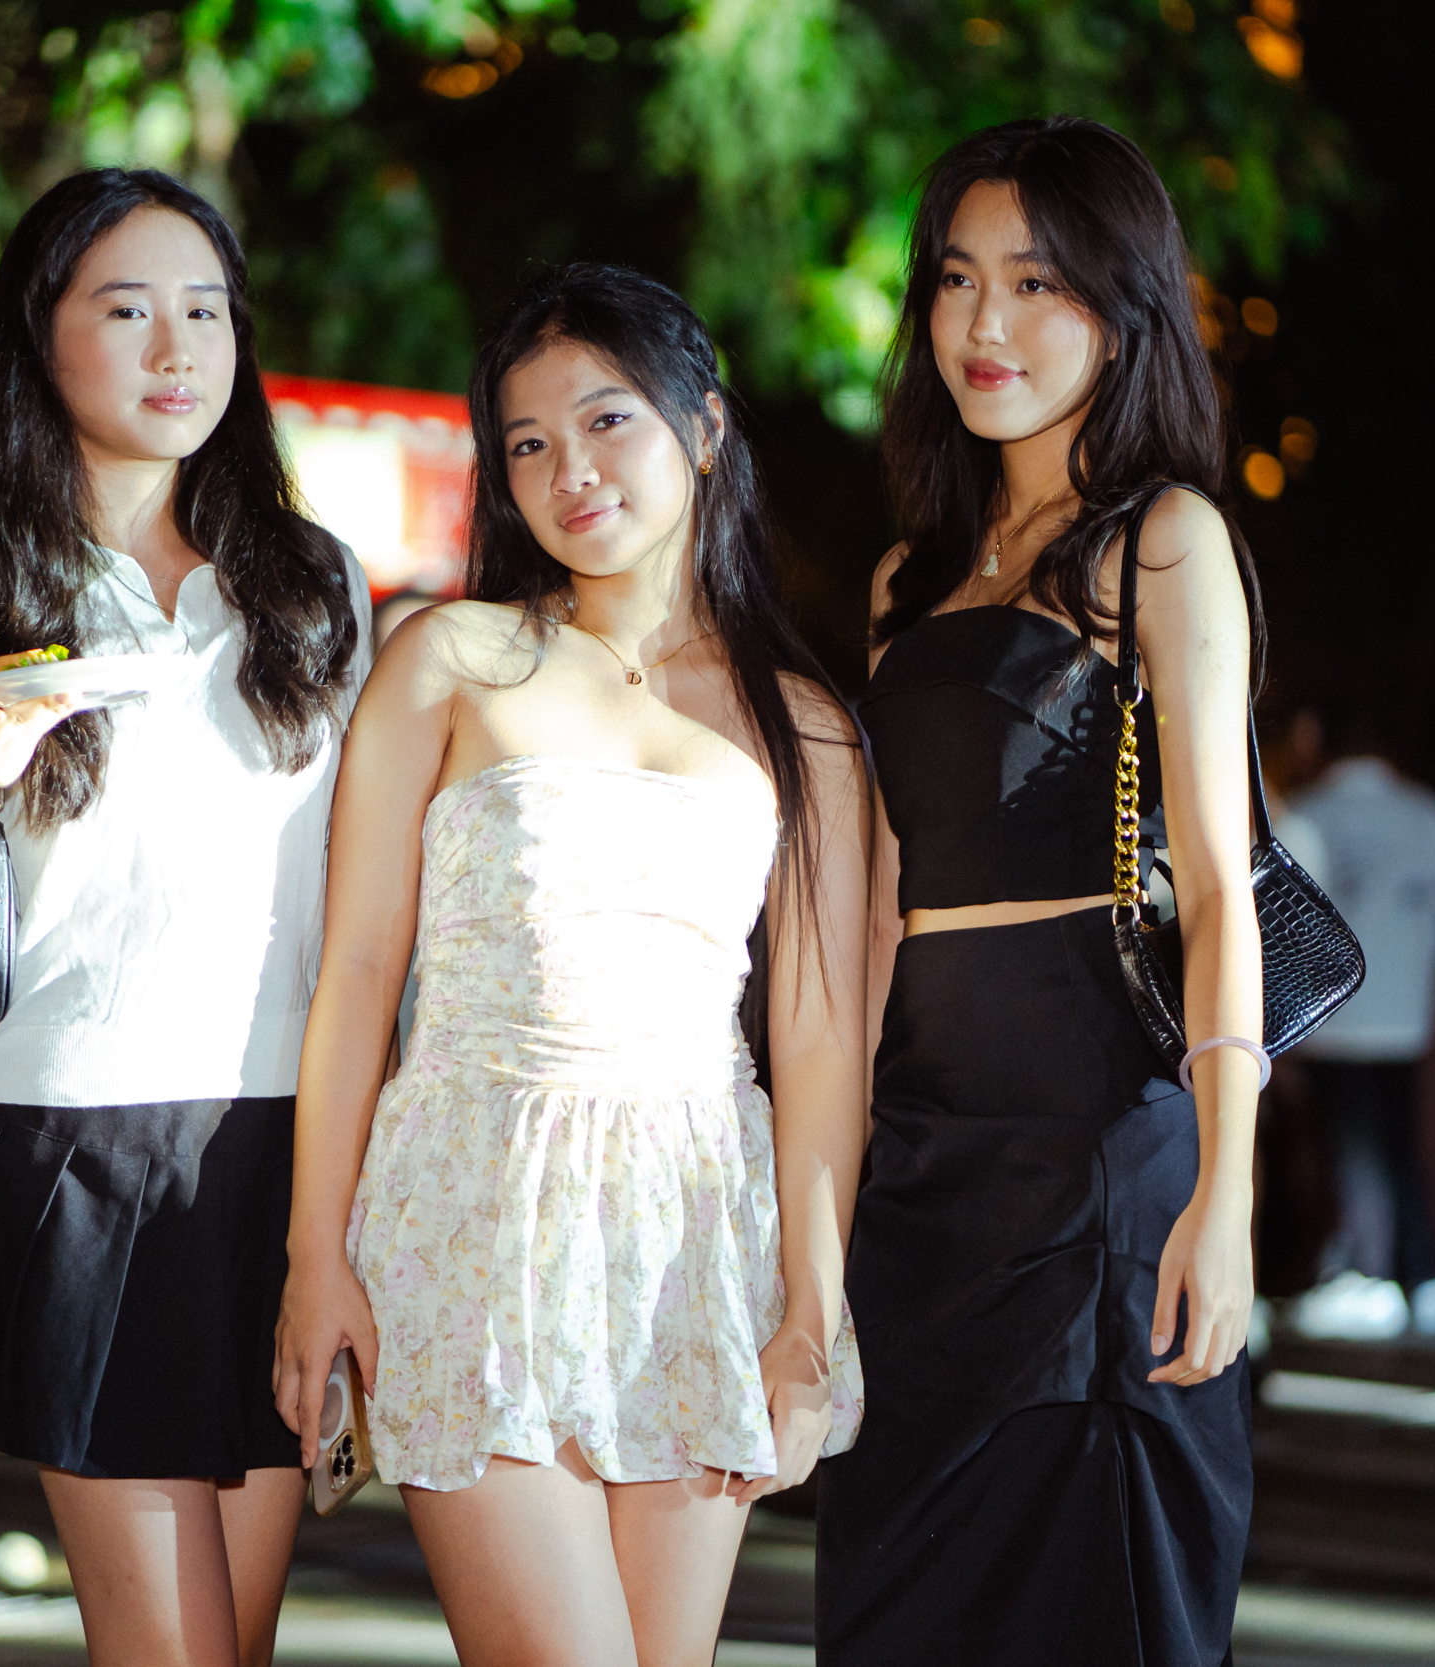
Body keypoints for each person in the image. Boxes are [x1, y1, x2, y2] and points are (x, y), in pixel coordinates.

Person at [274, 263, 864, 1666]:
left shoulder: (805, 725)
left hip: (695, 1229)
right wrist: (314, 1253)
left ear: (702, 427)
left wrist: (810, 1307)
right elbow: (356, 973)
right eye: (528, 444)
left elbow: (821, 1037)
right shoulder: (451, 656)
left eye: (606, 421)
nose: (569, 471)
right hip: (473, 1209)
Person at [0, 168, 368, 1667]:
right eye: (128, 309)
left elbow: (367, 913)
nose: (178, 346)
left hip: (286, 1154)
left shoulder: (315, 591)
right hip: (78, 1154)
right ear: (41, 336)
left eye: (206, 308)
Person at [815, 117, 1262, 1663]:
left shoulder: (1165, 544)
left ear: (1123, 313)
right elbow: (878, 908)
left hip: (1098, 1159)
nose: (983, 324)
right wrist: (824, 1189)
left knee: (1099, 1597)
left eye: (1035, 283)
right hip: (920, 1166)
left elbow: (1218, 887)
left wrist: (1227, 1191)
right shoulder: (907, 576)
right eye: (956, 280)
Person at [1285, 704, 1435, 1339]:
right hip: (1409, 1015)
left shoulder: (1310, 815)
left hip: (1338, 1018)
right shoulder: (1428, 813)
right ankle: (1425, 1277)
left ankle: (1368, 1275)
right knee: (1400, 1146)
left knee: (1353, 1152)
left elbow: (1293, 926)